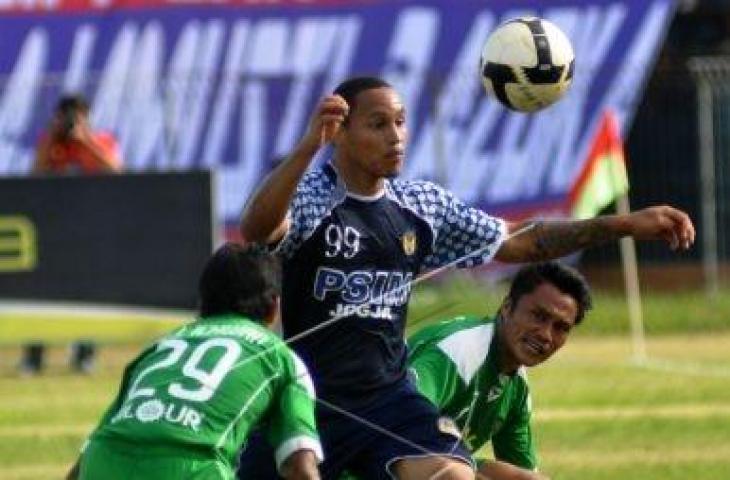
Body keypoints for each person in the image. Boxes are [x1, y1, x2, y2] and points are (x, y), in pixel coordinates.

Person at [238, 76, 694, 479]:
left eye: (401, 122)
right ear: (340, 133)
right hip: (308, 399)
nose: (396, 136)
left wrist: (622, 224)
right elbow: (257, 230)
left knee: (455, 477)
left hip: (387, 399)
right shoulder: (315, 198)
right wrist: (306, 148)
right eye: (379, 125)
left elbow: (521, 241)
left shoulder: (421, 206)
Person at [66, 244, 322, 480]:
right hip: (192, 469)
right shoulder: (282, 358)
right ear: (274, 307)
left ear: (203, 302)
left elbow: (80, 467)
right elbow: (300, 468)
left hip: (103, 462)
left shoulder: (159, 347)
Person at [407, 262, 592, 480]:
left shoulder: (516, 388)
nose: (546, 335)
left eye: (560, 328)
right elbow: (399, 421)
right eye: (538, 316)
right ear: (507, 306)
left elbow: (522, 468)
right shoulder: (457, 352)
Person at [33, 94, 122, 174]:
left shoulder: (103, 140)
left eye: (77, 120)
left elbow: (116, 170)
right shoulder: (52, 143)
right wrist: (51, 137)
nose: (71, 124)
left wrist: (86, 142)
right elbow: (36, 173)